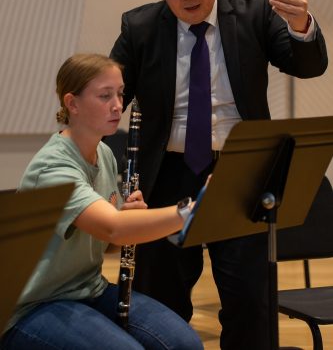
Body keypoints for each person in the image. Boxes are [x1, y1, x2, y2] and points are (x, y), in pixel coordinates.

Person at [110, 0, 328, 350]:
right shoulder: (139, 27)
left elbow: (308, 66)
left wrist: (300, 23)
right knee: (161, 300)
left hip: (240, 172)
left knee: (249, 299)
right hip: (167, 174)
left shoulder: (254, 14)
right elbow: (111, 94)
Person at [0, 53, 204, 350]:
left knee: (184, 343)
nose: (118, 105)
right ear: (72, 103)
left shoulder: (104, 154)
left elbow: (109, 242)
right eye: (105, 95)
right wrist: (189, 211)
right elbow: (113, 229)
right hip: (34, 305)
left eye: (120, 94)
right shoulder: (54, 167)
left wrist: (128, 221)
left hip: (89, 288)